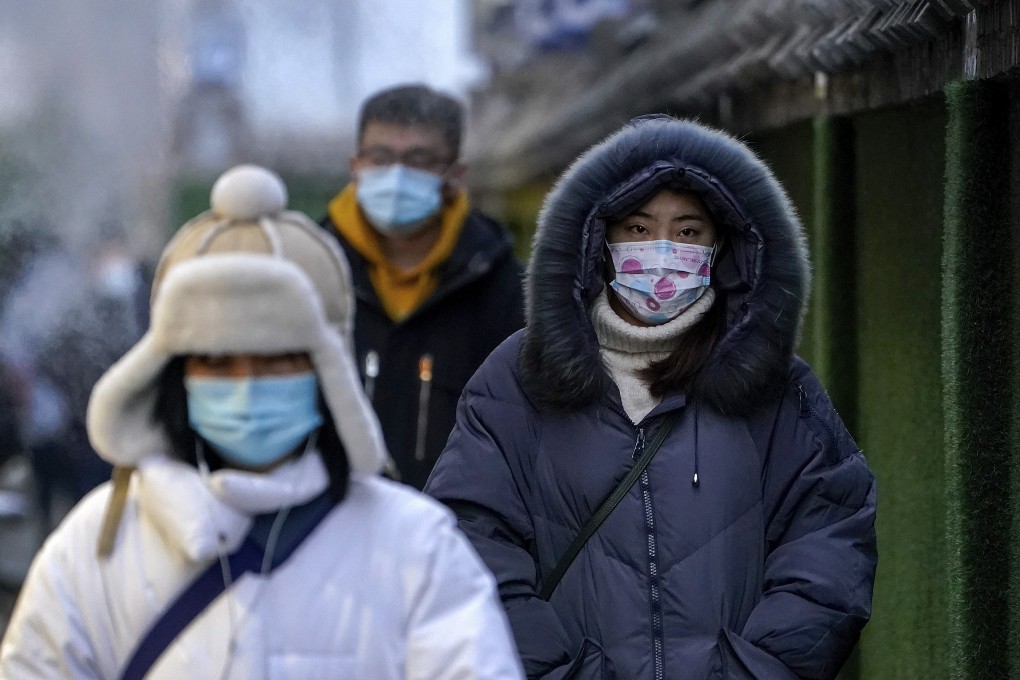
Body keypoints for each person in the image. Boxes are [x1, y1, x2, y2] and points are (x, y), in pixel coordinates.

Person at [0, 165, 524, 679]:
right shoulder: (97, 544)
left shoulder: (414, 545)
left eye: (276, 358)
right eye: (217, 360)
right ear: (174, 374)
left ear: (325, 370)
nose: (247, 382)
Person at [425, 116, 878, 679]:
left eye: (688, 232)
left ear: (724, 245)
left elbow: (828, 543)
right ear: (598, 238)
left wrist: (751, 671)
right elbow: (471, 546)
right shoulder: (518, 380)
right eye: (639, 229)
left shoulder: (774, 386)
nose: (663, 252)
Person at [320, 83, 525, 489]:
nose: (396, 175)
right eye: (380, 157)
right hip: (332, 525)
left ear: (455, 175)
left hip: (454, 532)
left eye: (419, 160)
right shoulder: (311, 273)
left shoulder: (507, 291)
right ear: (355, 166)